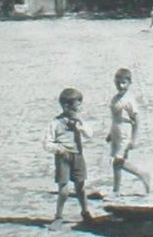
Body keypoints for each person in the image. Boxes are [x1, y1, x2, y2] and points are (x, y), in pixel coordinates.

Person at [43, 87, 93, 231]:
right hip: (63, 158)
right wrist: (59, 149)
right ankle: (58, 216)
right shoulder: (55, 123)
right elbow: (46, 143)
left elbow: (89, 134)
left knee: (80, 188)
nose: (79, 109)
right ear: (66, 106)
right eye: (77, 106)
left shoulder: (79, 121)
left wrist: (80, 126)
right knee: (64, 190)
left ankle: (85, 212)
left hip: (77, 155)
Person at [106, 68, 150, 196]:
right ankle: (116, 190)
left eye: (124, 82)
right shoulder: (115, 98)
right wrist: (110, 133)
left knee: (117, 161)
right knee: (116, 162)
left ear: (130, 83)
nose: (120, 85)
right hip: (116, 132)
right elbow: (114, 118)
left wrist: (133, 139)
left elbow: (136, 121)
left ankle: (142, 174)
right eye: (118, 82)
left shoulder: (129, 100)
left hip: (125, 132)